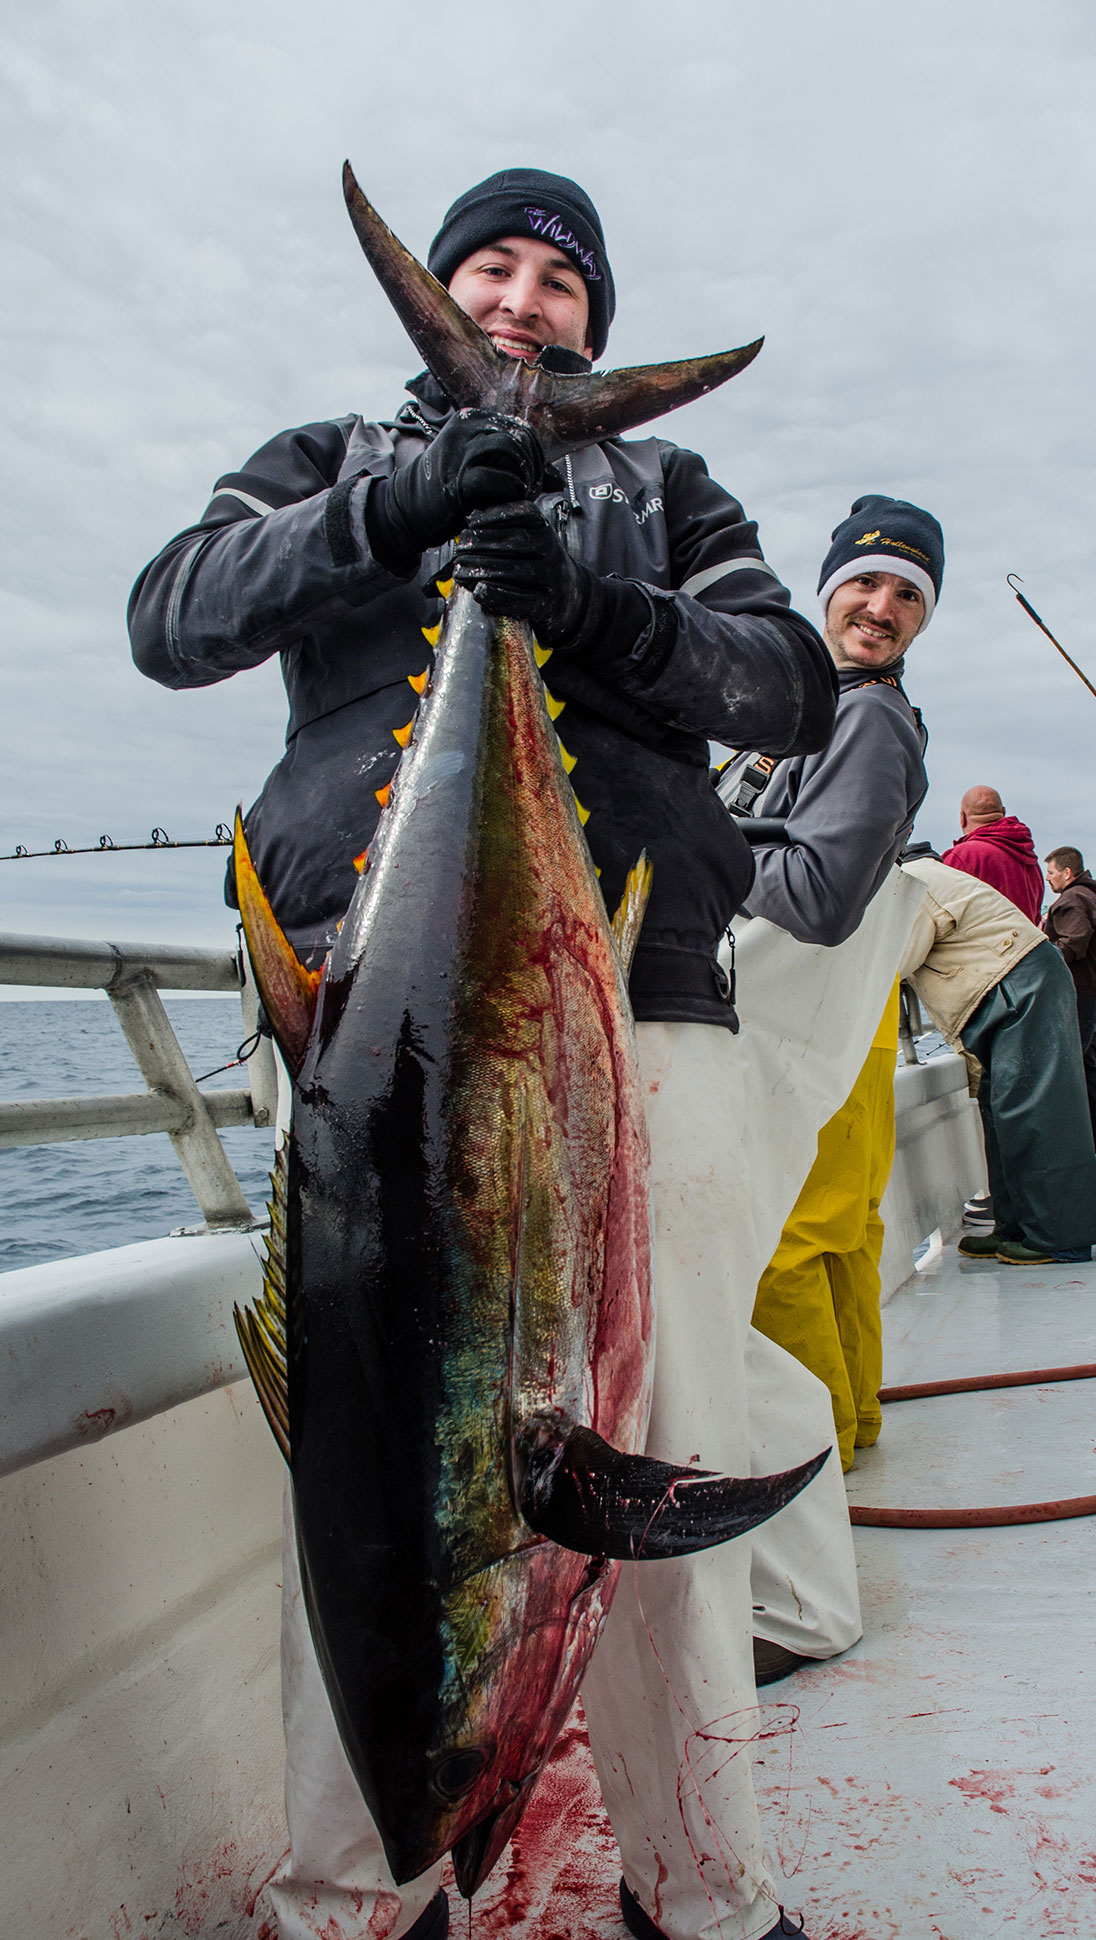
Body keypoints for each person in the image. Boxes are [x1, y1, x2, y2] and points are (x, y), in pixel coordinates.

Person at [130, 167, 846, 1940]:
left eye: (558, 282)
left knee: (663, 1436)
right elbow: (175, 616)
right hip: (370, 1038)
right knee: (358, 1481)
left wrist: (594, 609)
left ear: (596, 321)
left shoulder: (669, 488)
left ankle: (702, 1891)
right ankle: (355, 1904)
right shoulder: (326, 458)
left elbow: (787, 684)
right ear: (447, 290)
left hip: (634, 1011)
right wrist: (400, 508)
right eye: (491, 270)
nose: (521, 305)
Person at [722, 497, 935, 1562]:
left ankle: (801, 1458)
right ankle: (850, 1423)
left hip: (808, 1024)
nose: (880, 606)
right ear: (828, 590)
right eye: (864, 581)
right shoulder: (819, 711)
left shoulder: (865, 718)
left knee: (779, 1244)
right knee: (845, 1233)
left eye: (907, 594)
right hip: (851, 1022)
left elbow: (818, 894)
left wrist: (686, 842)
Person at [898, 853, 1096, 1264]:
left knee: (1035, 1111)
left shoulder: (911, 881)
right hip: (1005, 990)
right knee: (1001, 1113)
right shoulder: (918, 877)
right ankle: (1014, 1227)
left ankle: (1058, 1238)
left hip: (1017, 988)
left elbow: (897, 957)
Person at [1043, 847, 1096, 1154]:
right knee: (1087, 1063)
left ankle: (1084, 1139)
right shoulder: (1090, 897)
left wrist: (1039, 956)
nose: (1048, 879)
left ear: (1067, 872)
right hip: (1094, 990)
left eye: (1051, 873)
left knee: (1074, 1062)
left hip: (1079, 990)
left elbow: (1072, 945)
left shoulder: (1073, 900)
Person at [940, 785, 1044, 923]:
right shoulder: (1032, 862)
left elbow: (938, 913)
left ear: (962, 818)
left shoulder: (961, 857)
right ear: (1003, 812)